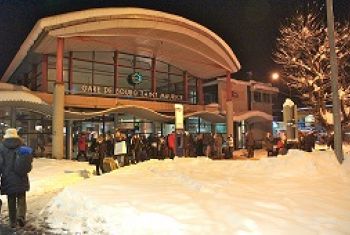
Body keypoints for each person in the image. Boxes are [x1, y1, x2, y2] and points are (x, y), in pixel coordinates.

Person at [0, 128, 33, 228]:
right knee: (21, 198)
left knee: (11, 199)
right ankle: (21, 216)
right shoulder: (22, 146)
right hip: (21, 177)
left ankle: (12, 221)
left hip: (7, 178)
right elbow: (28, 163)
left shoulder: (1, 147)